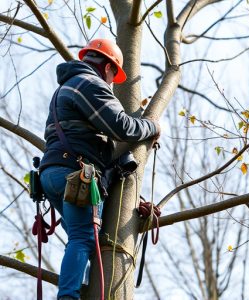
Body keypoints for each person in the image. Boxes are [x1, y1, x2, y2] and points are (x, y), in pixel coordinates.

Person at [39, 38, 160, 300]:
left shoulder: (65, 89)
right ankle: (68, 297)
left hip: (53, 173)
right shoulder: (90, 84)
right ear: (108, 68)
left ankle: (81, 291)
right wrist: (152, 126)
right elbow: (122, 127)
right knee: (83, 238)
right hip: (76, 174)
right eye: (114, 76)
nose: (113, 83)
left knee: (83, 240)